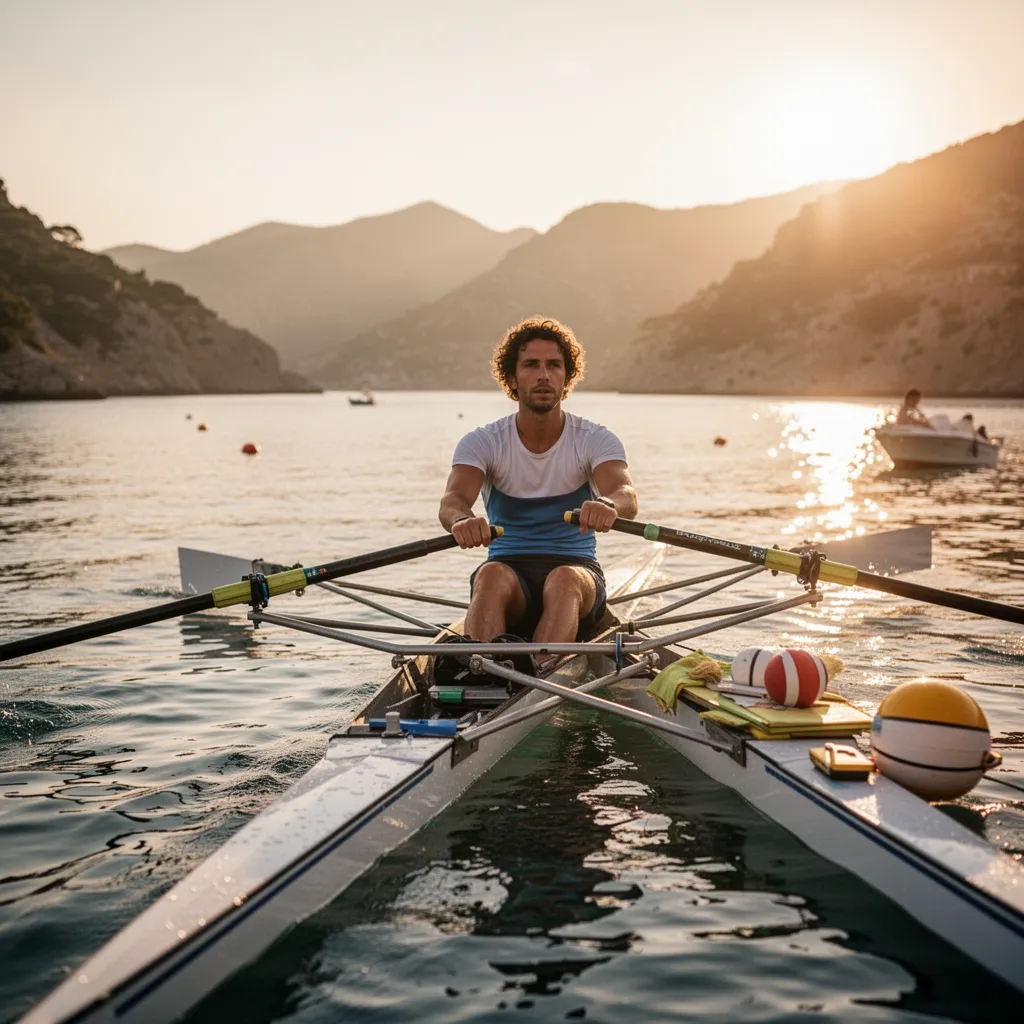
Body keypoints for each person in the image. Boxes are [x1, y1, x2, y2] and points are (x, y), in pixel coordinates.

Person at [438, 317, 638, 652]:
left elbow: (626, 495)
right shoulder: (483, 442)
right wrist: (462, 520)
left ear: (566, 377)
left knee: (564, 579)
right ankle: (481, 671)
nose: (543, 375)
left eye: (553, 365)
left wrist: (609, 506)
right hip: (508, 580)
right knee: (489, 575)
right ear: (513, 378)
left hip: (577, 575)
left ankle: (537, 678)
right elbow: (452, 500)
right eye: (531, 365)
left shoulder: (595, 439)